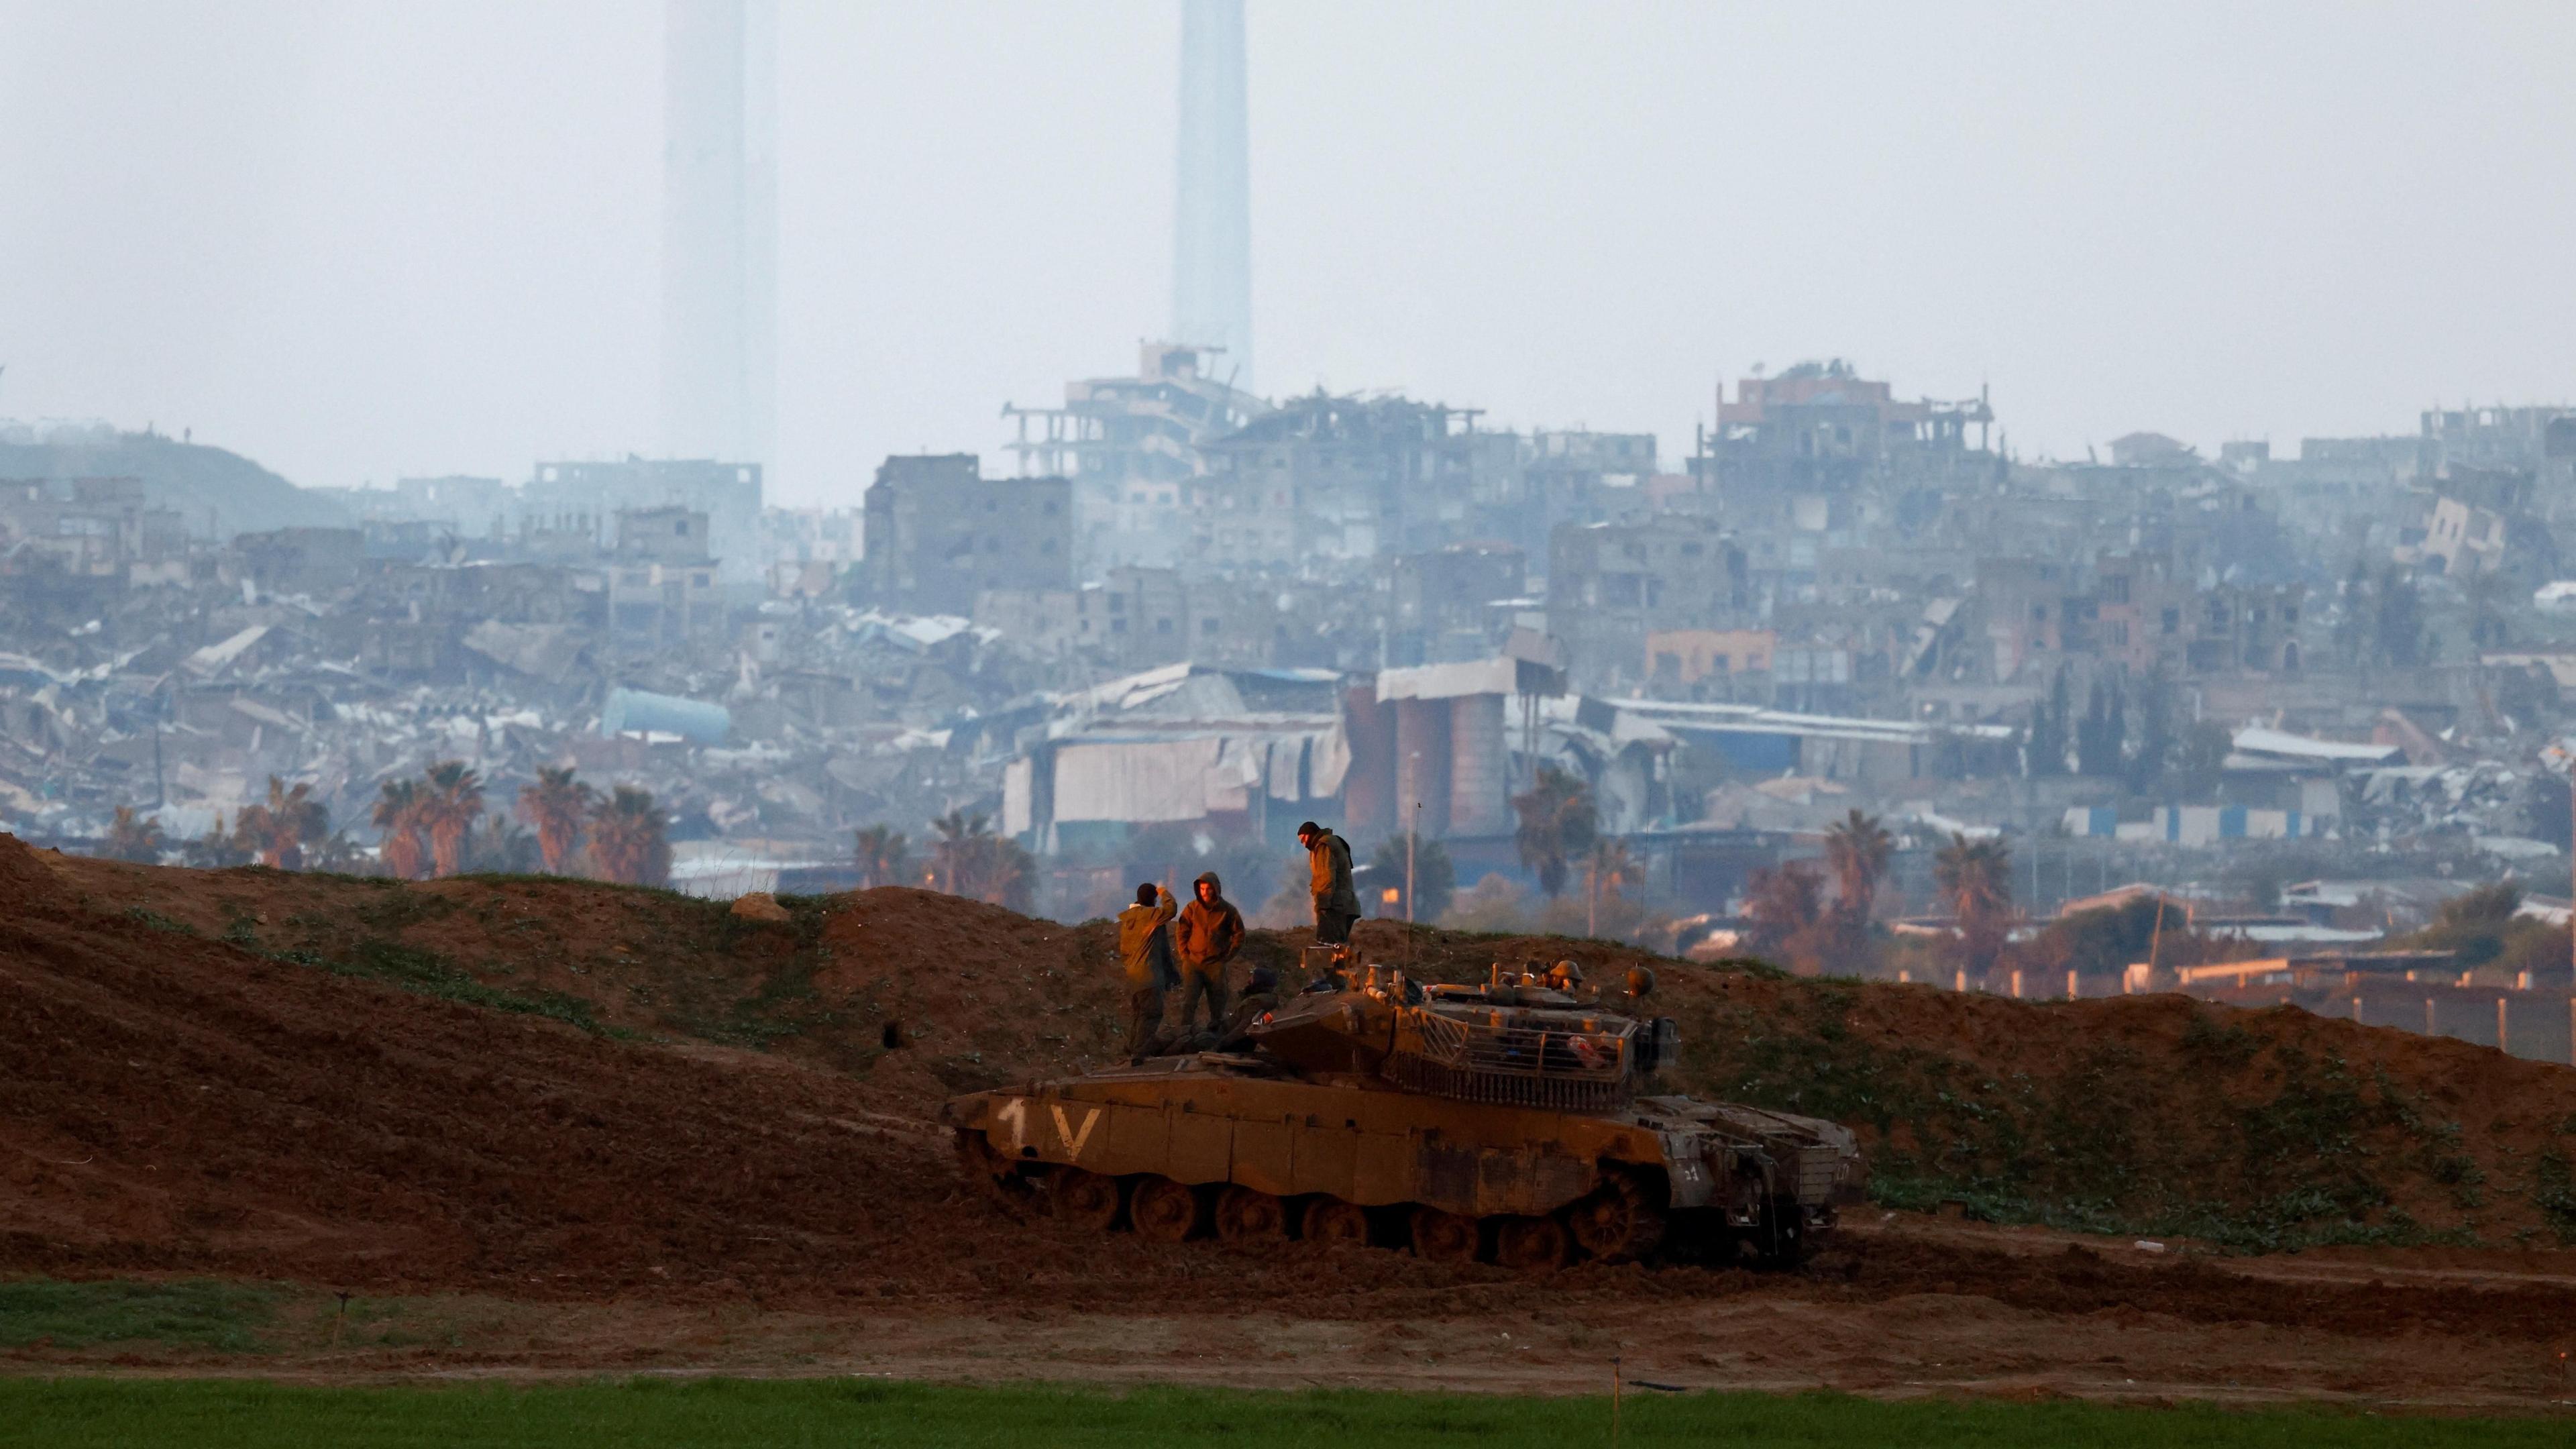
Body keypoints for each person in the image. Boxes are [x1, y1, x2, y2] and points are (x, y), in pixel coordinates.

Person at [1173, 871, 1245, 1032]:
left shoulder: (1228, 911)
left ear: (1216, 889)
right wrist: (1184, 955)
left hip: (1215, 965)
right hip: (1193, 963)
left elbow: (1239, 934)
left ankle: (1215, 1037)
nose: (1204, 893)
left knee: (1218, 1004)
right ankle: (1184, 1036)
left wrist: (1227, 956)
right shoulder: (1192, 908)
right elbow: (1182, 931)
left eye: (1208, 889)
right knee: (1189, 1003)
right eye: (1202, 889)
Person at [1116, 881, 1178, 1060]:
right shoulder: (1149, 915)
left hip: (1134, 975)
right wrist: (1163, 891)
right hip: (1149, 975)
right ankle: (1139, 1053)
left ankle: (1132, 1047)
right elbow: (1171, 909)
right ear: (1152, 899)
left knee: (1139, 1014)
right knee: (1152, 1013)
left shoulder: (1129, 919)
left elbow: (1124, 951)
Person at [1297, 820, 1360, 947]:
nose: (1304, 844)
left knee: (1326, 951)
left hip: (1334, 907)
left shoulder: (1323, 846)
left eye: (1304, 839)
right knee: (1338, 950)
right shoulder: (1333, 842)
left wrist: (1322, 906)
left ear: (1312, 833)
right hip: (1346, 904)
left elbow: (1326, 878)